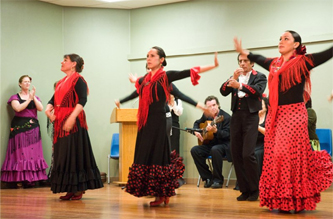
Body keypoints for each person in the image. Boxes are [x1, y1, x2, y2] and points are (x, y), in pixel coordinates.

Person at [234, 30, 333, 212]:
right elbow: (260, 57)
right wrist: (244, 51)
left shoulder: (304, 61)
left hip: (294, 114)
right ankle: (281, 199)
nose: (281, 41)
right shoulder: (274, 64)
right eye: (280, 38)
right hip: (275, 115)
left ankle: (293, 199)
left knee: (287, 155)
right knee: (275, 156)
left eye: (286, 39)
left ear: (296, 44)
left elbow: (327, 54)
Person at [123, 46, 219, 207]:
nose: (148, 58)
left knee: (158, 157)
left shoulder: (166, 77)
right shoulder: (145, 79)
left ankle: (162, 194)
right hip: (145, 122)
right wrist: (134, 81)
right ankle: (158, 193)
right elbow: (138, 84)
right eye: (147, 55)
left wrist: (212, 66)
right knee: (146, 155)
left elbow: (188, 72)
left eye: (152, 56)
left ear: (161, 60)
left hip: (159, 122)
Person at [45, 54, 103, 200]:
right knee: (63, 155)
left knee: (74, 154)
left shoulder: (78, 79)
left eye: (65, 60)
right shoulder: (61, 82)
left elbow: (83, 100)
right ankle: (70, 188)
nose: (62, 62)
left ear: (73, 64)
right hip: (60, 121)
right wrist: (48, 110)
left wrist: (71, 118)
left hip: (73, 122)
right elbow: (53, 99)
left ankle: (78, 189)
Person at [220, 53, 267, 201]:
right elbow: (223, 91)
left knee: (248, 154)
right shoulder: (234, 77)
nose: (242, 63)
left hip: (251, 117)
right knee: (236, 154)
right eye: (240, 61)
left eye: (245, 61)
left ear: (252, 63)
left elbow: (257, 91)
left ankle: (254, 189)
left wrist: (239, 85)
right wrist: (231, 79)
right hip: (236, 117)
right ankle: (244, 189)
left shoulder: (260, 76)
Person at [1, 75, 48, 188]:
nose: (27, 84)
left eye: (29, 82)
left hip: (33, 128)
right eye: (25, 82)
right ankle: (19, 179)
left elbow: (41, 108)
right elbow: (18, 108)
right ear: (20, 84)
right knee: (20, 153)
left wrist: (33, 98)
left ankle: (32, 179)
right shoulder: (15, 97)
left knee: (33, 153)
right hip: (19, 128)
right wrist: (29, 99)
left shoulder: (34, 97)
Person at [191, 95, 231, 189]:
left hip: (224, 145)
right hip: (211, 144)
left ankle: (218, 180)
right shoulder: (207, 115)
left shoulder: (226, 117)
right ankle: (208, 178)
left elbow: (228, 135)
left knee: (215, 149)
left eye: (214, 105)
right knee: (195, 150)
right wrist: (196, 130)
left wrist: (216, 131)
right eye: (209, 106)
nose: (212, 108)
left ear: (218, 105)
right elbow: (197, 122)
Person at [234, 96, 269, 191]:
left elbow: (269, 133)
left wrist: (256, 126)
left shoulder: (269, 117)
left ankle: (256, 185)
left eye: (261, 105)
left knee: (255, 154)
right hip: (253, 143)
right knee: (242, 154)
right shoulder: (252, 117)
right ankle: (244, 185)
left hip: (264, 145)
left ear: (266, 106)